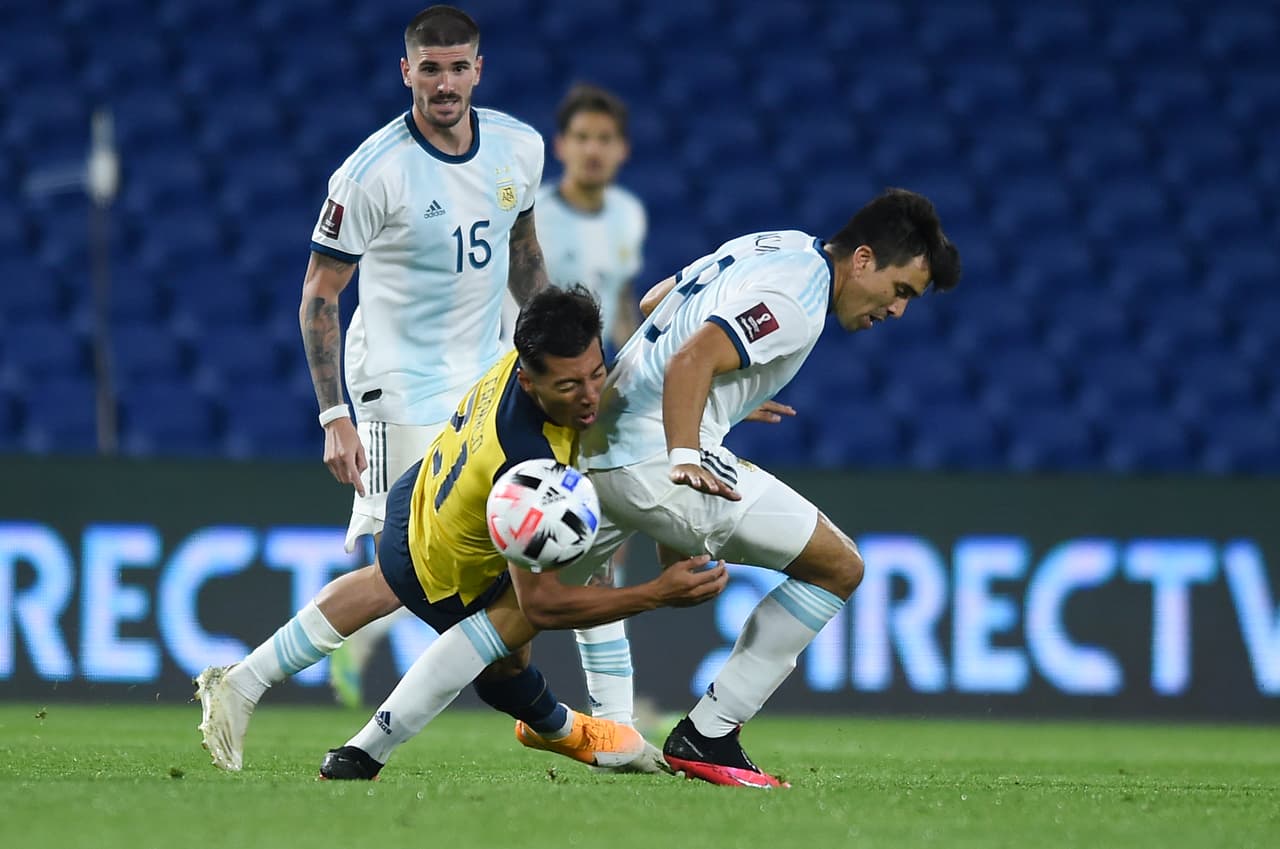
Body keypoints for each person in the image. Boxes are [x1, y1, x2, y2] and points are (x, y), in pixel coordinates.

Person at [319, 187, 961, 788]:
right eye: (900, 289)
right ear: (864, 259)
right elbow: (693, 357)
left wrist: (730, 392)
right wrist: (687, 446)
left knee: (514, 617)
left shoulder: (778, 244)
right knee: (839, 567)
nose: (897, 309)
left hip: (600, 442)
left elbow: (659, 302)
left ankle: (363, 751)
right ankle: (709, 734)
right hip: (658, 462)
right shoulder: (798, 303)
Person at [196, 287, 726, 775]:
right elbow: (543, 607)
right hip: (446, 565)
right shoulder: (526, 460)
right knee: (509, 658)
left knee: (391, 585)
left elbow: (650, 353)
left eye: (596, 374)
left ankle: (246, 681)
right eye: (569, 386)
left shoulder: (532, 358)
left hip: (421, 493)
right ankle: (370, 753)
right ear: (530, 381)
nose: (590, 395)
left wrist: (719, 400)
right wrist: (656, 593)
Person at [295, 5, 552, 709]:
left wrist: (557, 355)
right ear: (406, 71)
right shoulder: (371, 173)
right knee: (400, 574)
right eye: (430, 69)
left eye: (458, 67)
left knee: (505, 559)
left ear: (479, 70)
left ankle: (552, 714)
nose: (445, 84)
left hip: (483, 383)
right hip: (397, 386)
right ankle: (249, 679)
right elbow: (320, 294)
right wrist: (333, 415)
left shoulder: (519, 147)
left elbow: (524, 256)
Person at [501, 82, 649, 728]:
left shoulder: (627, 216)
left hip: (590, 396)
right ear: (560, 146)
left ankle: (611, 712)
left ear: (622, 150)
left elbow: (621, 305)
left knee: (598, 545)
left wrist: (627, 379)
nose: (593, 150)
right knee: (533, 552)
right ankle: (595, 708)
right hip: (530, 395)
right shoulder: (533, 215)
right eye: (582, 137)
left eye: (605, 139)